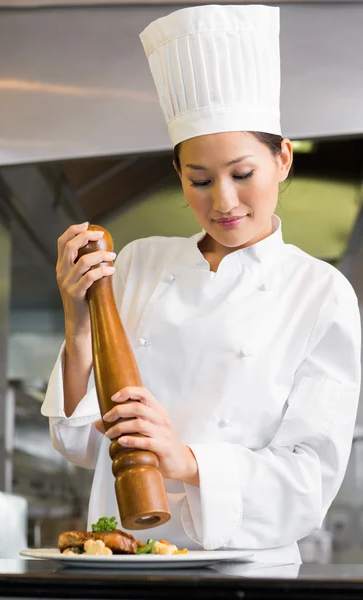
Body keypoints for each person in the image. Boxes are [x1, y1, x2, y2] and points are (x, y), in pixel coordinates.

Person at [41, 4, 361, 563]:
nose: (224, 202)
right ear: (178, 175)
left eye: (243, 175)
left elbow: (310, 479)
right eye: (200, 180)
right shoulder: (137, 265)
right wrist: (77, 318)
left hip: (246, 567)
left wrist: (185, 459)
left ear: (282, 160)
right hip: (121, 559)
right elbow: (79, 444)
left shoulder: (321, 292)